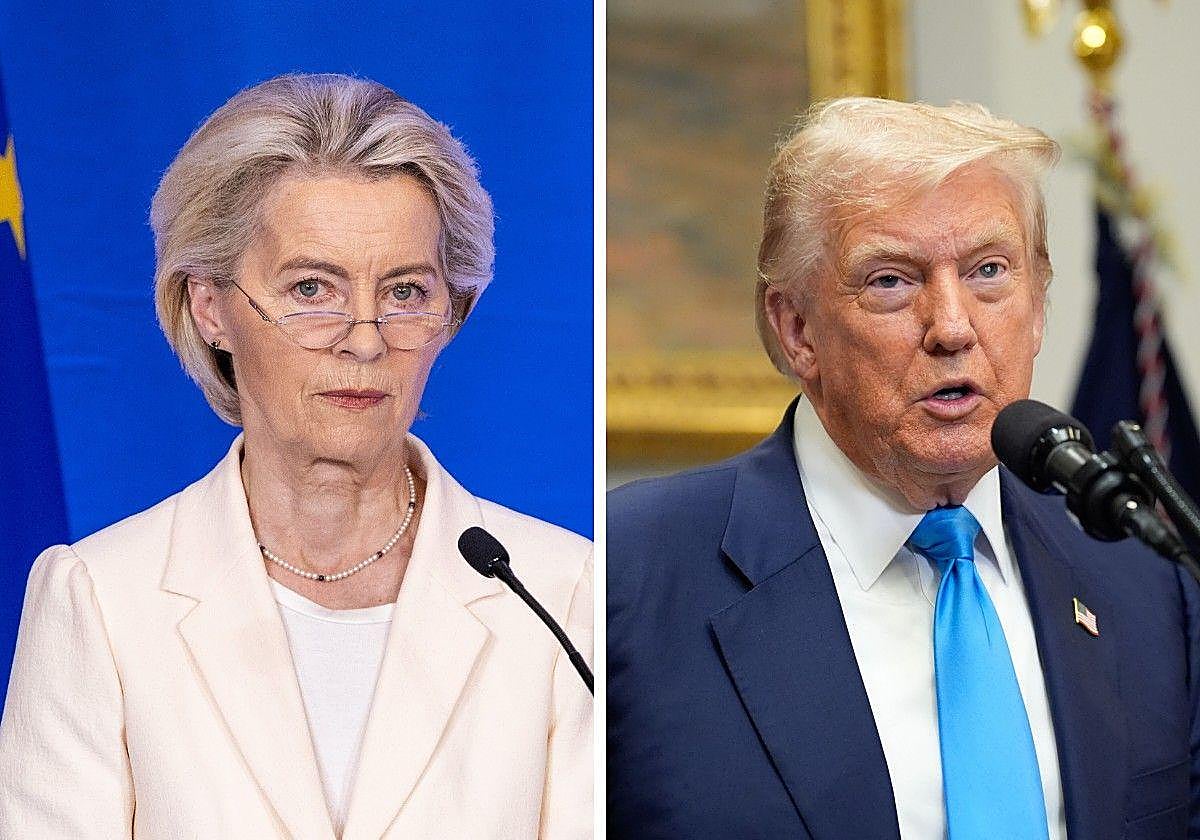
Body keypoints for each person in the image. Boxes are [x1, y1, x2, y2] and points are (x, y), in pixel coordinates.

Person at [0, 73, 592, 840]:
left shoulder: (562, 597)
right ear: (209, 307)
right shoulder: (102, 603)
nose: (366, 336)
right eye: (313, 287)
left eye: (406, 291)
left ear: (453, 311)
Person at [607, 98, 1200, 839]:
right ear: (797, 330)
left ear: (1040, 305)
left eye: (989, 271)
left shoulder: (1142, 568)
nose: (952, 327)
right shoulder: (624, 578)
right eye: (891, 281)